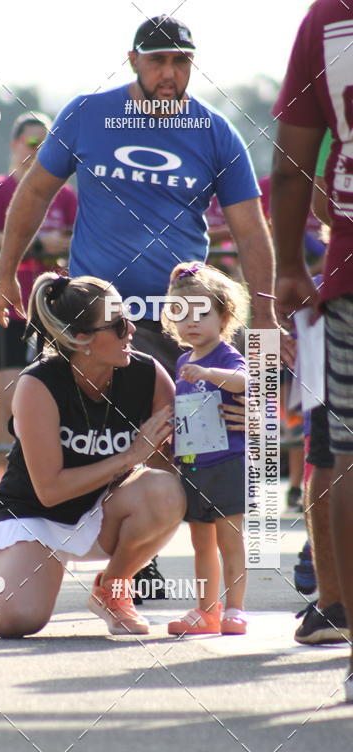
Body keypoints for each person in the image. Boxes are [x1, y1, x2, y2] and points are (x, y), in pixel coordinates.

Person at [0, 15, 293, 371]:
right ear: (134, 60)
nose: (169, 73)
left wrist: (265, 314)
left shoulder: (216, 133)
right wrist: (4, 271)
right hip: (94, 316)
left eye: (180, 61)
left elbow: (251, 231)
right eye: (157, 60)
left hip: (179, 320)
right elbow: (35, 193)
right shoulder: (86, 114)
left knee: (185, 423)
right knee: (82, 423)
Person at [0, 273, 185, 638]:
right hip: (36, 513)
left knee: (167, 492)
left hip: (104, 509)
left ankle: (113, 588)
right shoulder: (38, 383)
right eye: (118, 325)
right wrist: (131, 455)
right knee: (18, 621)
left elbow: (177, 462)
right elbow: (50, 490)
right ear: (82, 339)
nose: (131, 330)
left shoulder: (147, 373)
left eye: (129, 318)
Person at [271, 0, 353, 699]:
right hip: (338, 269)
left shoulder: (328, 18)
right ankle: (330, 598)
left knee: (342, 450)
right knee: (329, 446)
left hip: (346, 274)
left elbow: (291, 164)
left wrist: (288, 263)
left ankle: (341, 613)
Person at [0, 112, 77, 514]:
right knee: (9, 397)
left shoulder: (65, 195)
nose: (36, 153)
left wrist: (59, 244)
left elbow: (76, 238)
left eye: (45, 146)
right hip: (3, 306)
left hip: (52, 309)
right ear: (14, 146)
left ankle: (37, 477)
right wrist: (43, 242)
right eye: (30, 144)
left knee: (51, 399)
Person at [161, 263, 248, 635]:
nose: (191, 322)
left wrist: (211, 375)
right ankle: (206, 608)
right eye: (181, 314)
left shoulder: (223, 356)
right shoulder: (183, 360)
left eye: (201, 313)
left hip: (227, 460)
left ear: (224, 315)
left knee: (230, 539)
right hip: (194, 464)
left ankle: (236, 608)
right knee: (200, 543)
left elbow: (245, 381)